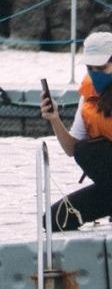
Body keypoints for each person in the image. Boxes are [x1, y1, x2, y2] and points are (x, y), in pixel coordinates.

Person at [41, 31, 112, 230]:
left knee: (87, 151)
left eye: (102, 67)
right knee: (53, 219)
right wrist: (54, 119)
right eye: (91, 68)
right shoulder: (88, 95)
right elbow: (72, 148)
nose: (96, 73)